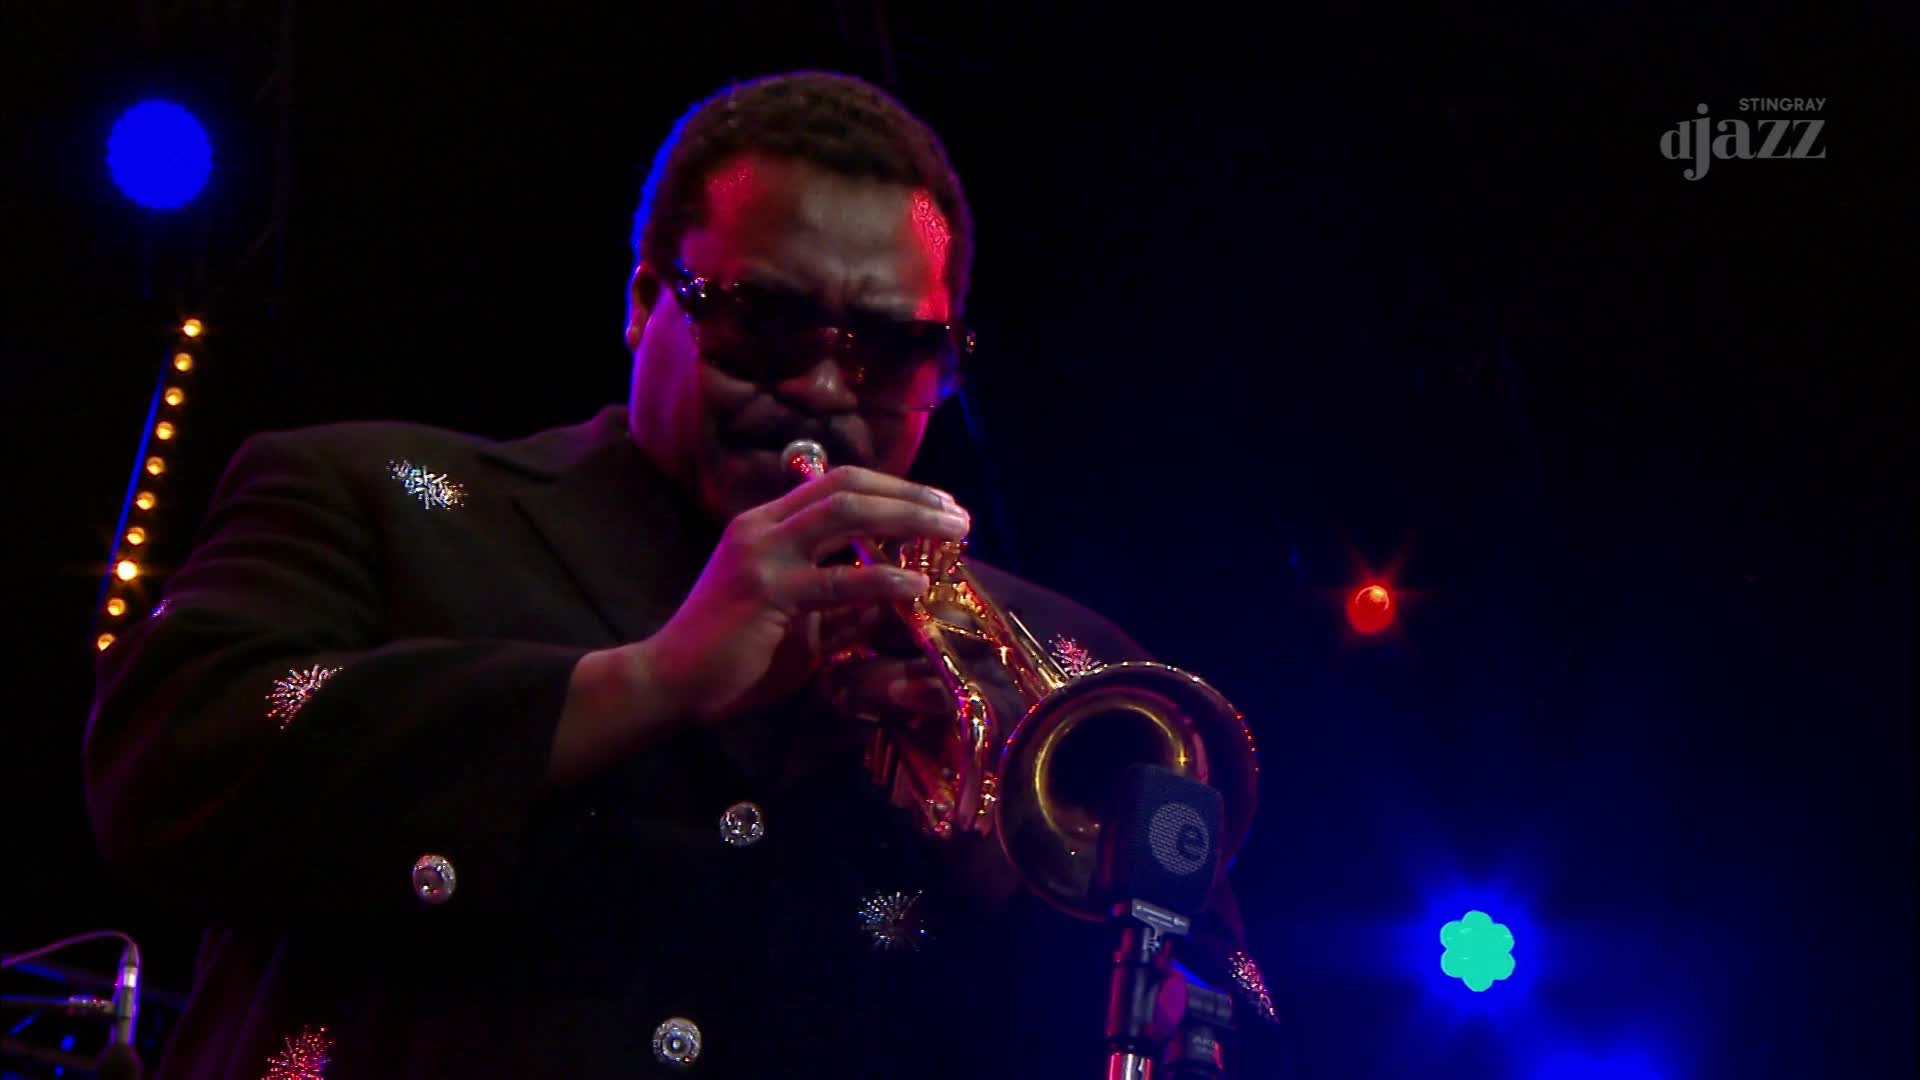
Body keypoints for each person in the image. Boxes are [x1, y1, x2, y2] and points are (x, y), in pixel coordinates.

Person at [83, 70, 1277, 1078]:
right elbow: (162, 766)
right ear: (645, 301)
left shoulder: (1067, 663)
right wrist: (643, 684)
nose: (822, 389)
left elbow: (1231, 1032)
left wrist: (1003, 854)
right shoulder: (371, 495)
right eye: (763, 323)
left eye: (896, 348)